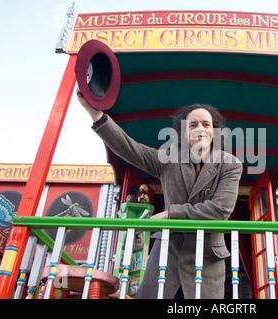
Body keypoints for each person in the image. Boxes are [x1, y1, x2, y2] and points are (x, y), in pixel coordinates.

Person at [77, 88, 243, 299]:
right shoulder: (168, 159)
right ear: (184, 133)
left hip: (206, 262)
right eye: (193, 125)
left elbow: (220, 210)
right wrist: (95, 115)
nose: (200, 129)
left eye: (206, 124)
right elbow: (130, 149)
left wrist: (169, 214)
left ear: (215, 132)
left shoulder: (230, 165)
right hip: (166, 258)